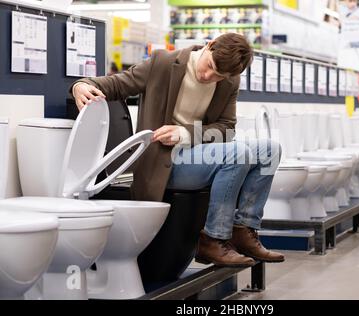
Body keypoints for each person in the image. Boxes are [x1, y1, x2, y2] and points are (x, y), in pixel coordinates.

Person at [70, 33, 284, 268]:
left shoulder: (229, 82)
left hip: (197, 154)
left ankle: (243, 229)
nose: (208, 76)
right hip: (162, 162)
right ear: (209, 45)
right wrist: (82, 85)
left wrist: (184, 134)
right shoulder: (163, 63)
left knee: (269, 151)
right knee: (238, 154)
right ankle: (214, 239)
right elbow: (117, 85)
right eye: (210, 66)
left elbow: (226, 129)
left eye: (218, 76)